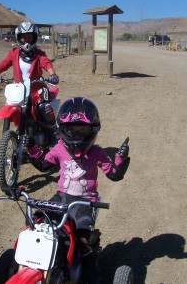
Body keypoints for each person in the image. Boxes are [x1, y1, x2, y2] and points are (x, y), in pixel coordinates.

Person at [23, 97, 130, 282]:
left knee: (84, 235)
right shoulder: (59, 148)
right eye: (73, 130)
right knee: (38, 222)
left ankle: (90, 262)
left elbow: (113, 173)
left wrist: (120, 160)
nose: (78, 135)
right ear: (63, 129)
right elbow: (44, 165)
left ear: (93, 129)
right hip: (62, 196)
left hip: (85, 201)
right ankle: (45, 261)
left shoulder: (97, 152)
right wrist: (31, 147)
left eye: (83, 129)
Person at [0, 21, 59, 135]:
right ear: (19, 38)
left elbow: (46, 63)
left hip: (37, 88)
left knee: (45, 107)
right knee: (11, 104)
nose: (26, 40)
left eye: (29, 37)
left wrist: (52, 75)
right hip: (19, 89)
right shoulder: (14, 53)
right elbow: (3, 64)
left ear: (34, 38)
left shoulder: (39, 54)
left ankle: (53, 131)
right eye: (24, 37)